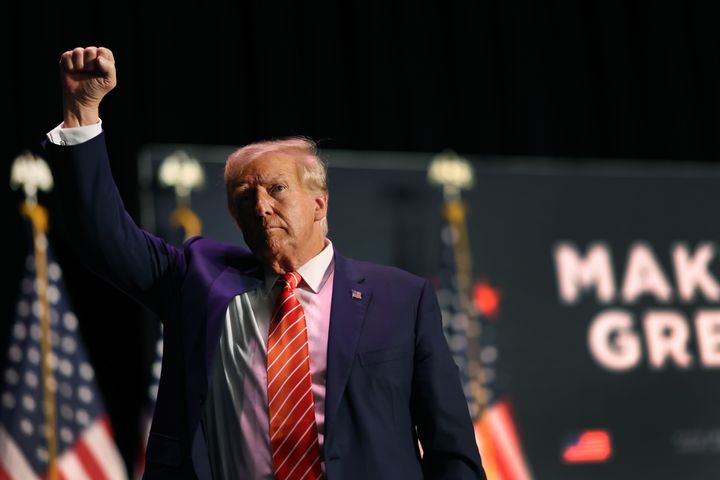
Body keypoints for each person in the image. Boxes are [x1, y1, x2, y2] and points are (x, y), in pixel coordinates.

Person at [45, 46, 485, 480]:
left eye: (276, 189)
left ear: (319, 203)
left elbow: (452, 450)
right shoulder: (197, 280)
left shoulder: (402, 299)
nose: (260, 206)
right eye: (244, 197)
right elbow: (105, 239)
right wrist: (83, 111)